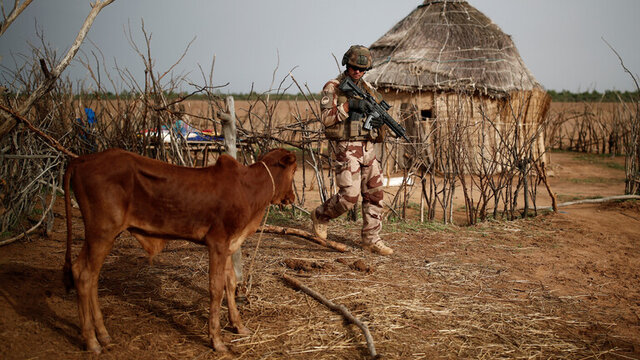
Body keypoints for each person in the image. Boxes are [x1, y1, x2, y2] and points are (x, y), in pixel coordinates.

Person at [310, 45, 393, 256]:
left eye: (362, 69)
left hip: (367, 148)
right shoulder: (333, 87)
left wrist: (378, 122)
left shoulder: (369, 89)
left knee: (375, 195)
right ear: (347, 64)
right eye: (354, 67)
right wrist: (350, 107)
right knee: (349, 197)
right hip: (346, 148)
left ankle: (371, 239)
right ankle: (321, 215)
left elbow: (379, 121)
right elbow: (326, 120)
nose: (357, 72)